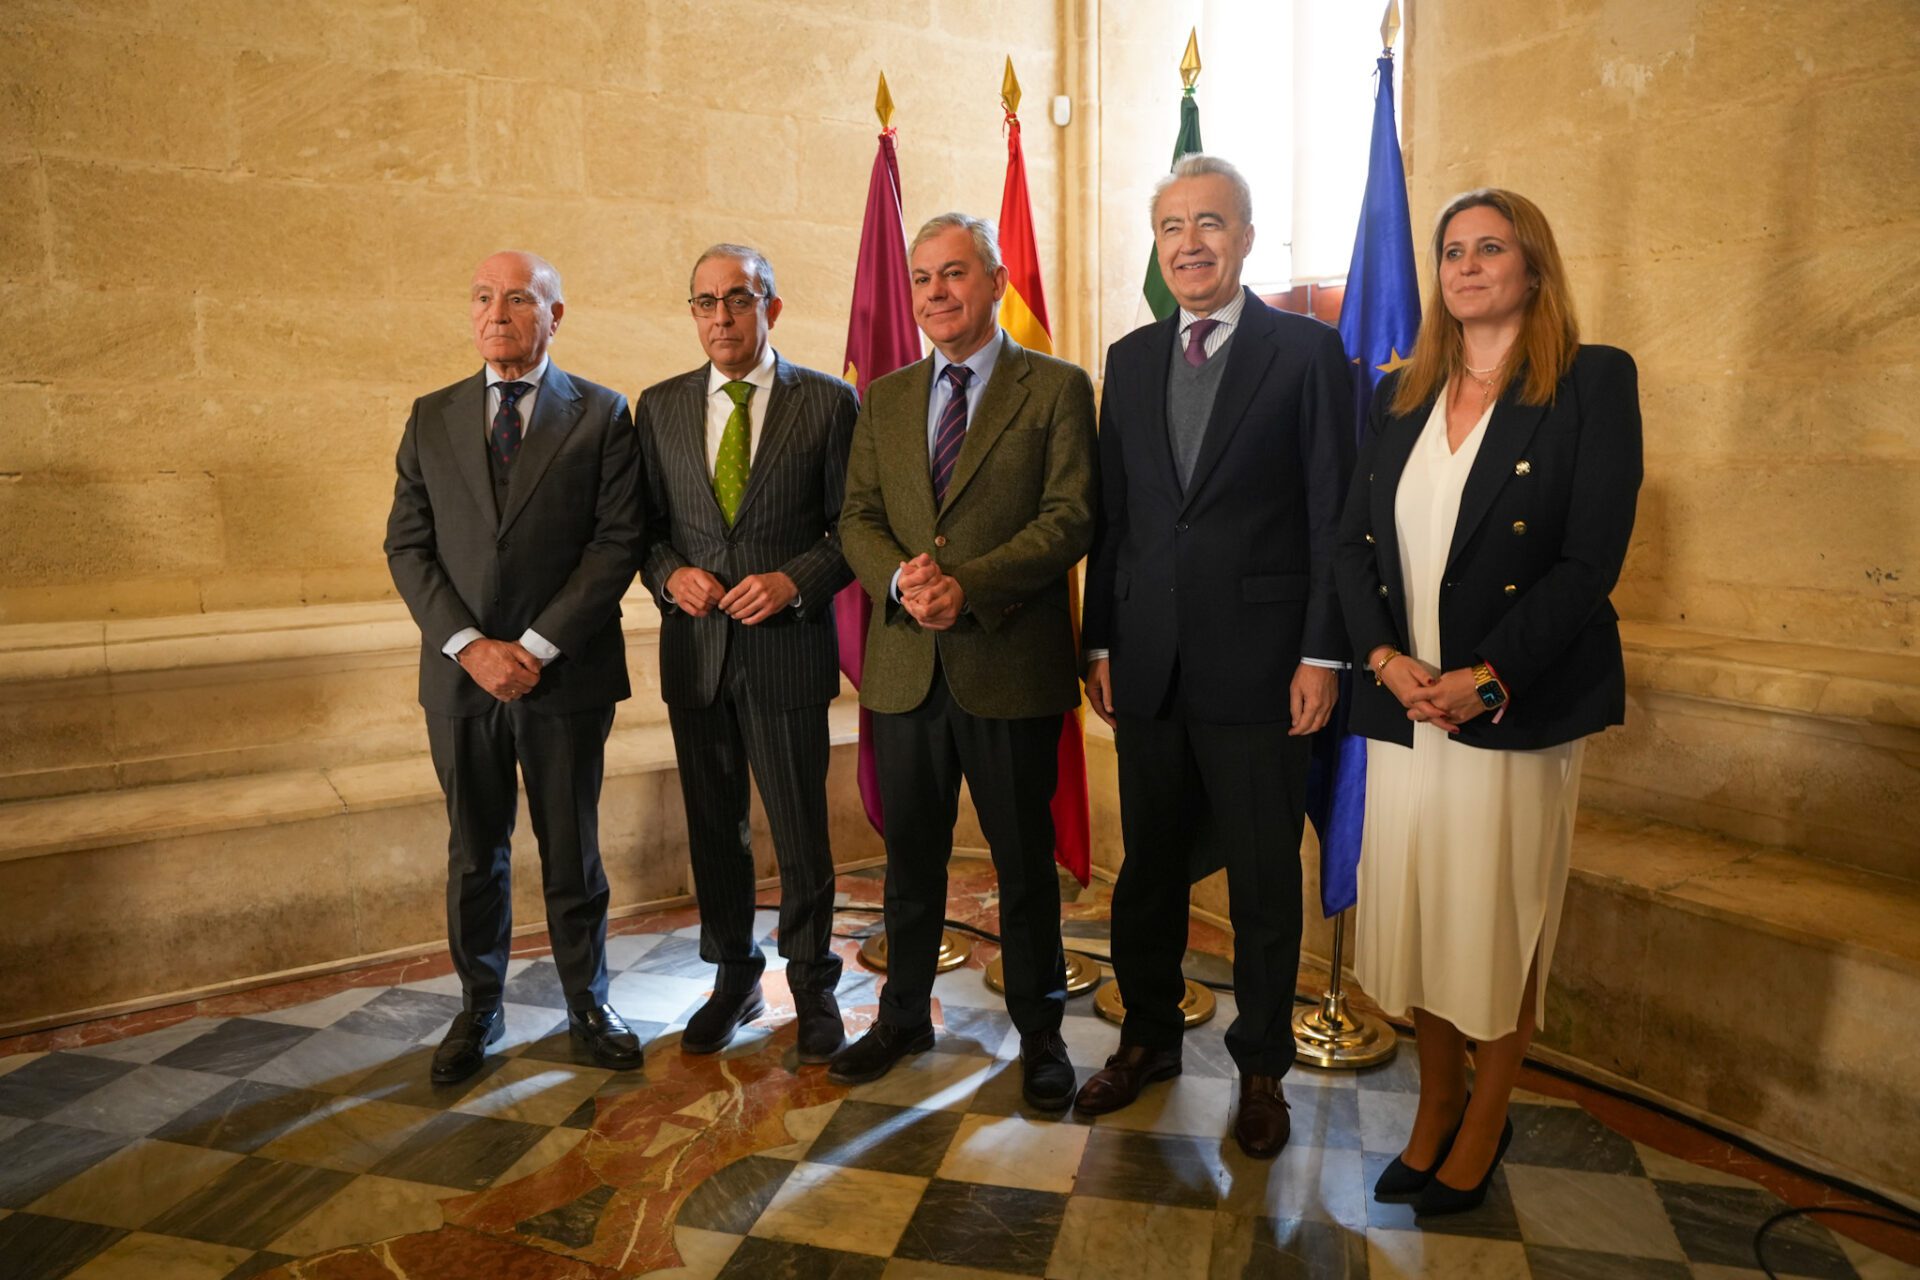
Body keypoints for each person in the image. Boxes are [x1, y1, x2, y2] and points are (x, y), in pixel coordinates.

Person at [1334, 188, 1642, 1214]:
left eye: (1490, 248)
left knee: (1496, 920)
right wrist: (1380, 656)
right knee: (1421, 919)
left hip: (1511, 707)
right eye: (1452, 250)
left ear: (1533, 266)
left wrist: (1489, 675)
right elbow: (1349, 544)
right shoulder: (1399, 392)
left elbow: (1587, 558)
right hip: (1406, 702)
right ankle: (1433, 1102)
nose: (1467, 265)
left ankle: (1485, 1113)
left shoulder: (1592, 382)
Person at [1077, 154, 1354, 1158]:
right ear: (1158, 246)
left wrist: (1324, 653)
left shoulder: (1308, 355)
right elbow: (1117, 517)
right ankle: (1146, 1033)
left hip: (1266, 668)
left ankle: (1263, 1066)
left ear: (1245, 237)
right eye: (1171, 228)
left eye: (1210, 224)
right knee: (1147, 868)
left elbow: (1333, 517)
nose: (1190, 244)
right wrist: (1098, 638)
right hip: (1147, 665)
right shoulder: (1133, 357)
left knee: (1265, 885)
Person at [830, 212, 1097, 1109]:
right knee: (909, 862)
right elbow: (857, 517)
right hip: (907, 670)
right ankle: (902, 1017)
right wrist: (901, 585)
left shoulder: (1055, 388)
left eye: (954, 274)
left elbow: (1070, 518)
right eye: (922, 279)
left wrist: (967, 584)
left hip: (1008, 663)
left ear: (994, 279)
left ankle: (1042, 1034)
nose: (937, 293)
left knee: (1023, 868)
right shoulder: (890, 395)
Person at [385, 250, 646, 1082]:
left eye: (519, 299)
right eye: (483, 298)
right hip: (460, 679)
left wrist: (531, 648)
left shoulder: (603, 414)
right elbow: (407, 544)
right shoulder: (431, 416)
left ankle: (588, 1003)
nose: (497, 313)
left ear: (555, 316)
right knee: (474, 852)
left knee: (572, 846)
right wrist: (470, 646)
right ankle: (479, 1009)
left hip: (563, 676)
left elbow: (616, 546)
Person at [635, 244, 859, 1063]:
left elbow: (852, 531)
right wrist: (671, 577)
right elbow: (646, 532)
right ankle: (733, 973)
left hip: (786, 651)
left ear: (772, 305)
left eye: (738, 298)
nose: (720, 317)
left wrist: (794, 581)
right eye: (704, 303)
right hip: (697, 657)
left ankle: (813, 985)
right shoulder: (657, 407)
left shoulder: (830, 404)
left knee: (801, 831)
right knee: (714, 830)